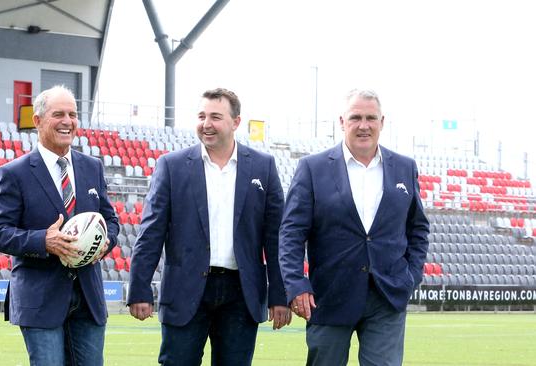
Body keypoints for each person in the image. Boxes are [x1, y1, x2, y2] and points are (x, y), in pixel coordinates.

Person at [127, 88, 291, 365]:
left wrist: (280, 295)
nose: (206, 124)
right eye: (201, 116)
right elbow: (150, 233)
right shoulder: (171, 165)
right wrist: (139, 288)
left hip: (241, 293)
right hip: (184, 289)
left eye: (215, 116)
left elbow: (275, 238)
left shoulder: (263, 166)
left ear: (236, 122)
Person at [278, 89, 429, 366]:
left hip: (387, 293)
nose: (363, 125)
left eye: (371, 118)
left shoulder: (405, 167)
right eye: (355, 117)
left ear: (382, 122)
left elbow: (418, 229)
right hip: (329, 295)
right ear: (342, 122)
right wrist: (296, 283)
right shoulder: (312, 168)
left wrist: (411, 275)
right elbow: (291, 233)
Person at [0, 85, 119, 365]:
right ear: (37, 121)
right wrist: (43, 241)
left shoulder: (92, 167)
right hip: (40, 297)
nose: (68, 121)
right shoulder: (14, 173)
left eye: (73, 114)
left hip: (88, 297)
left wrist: (103, 243)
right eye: (58, 114)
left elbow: (111, 220)